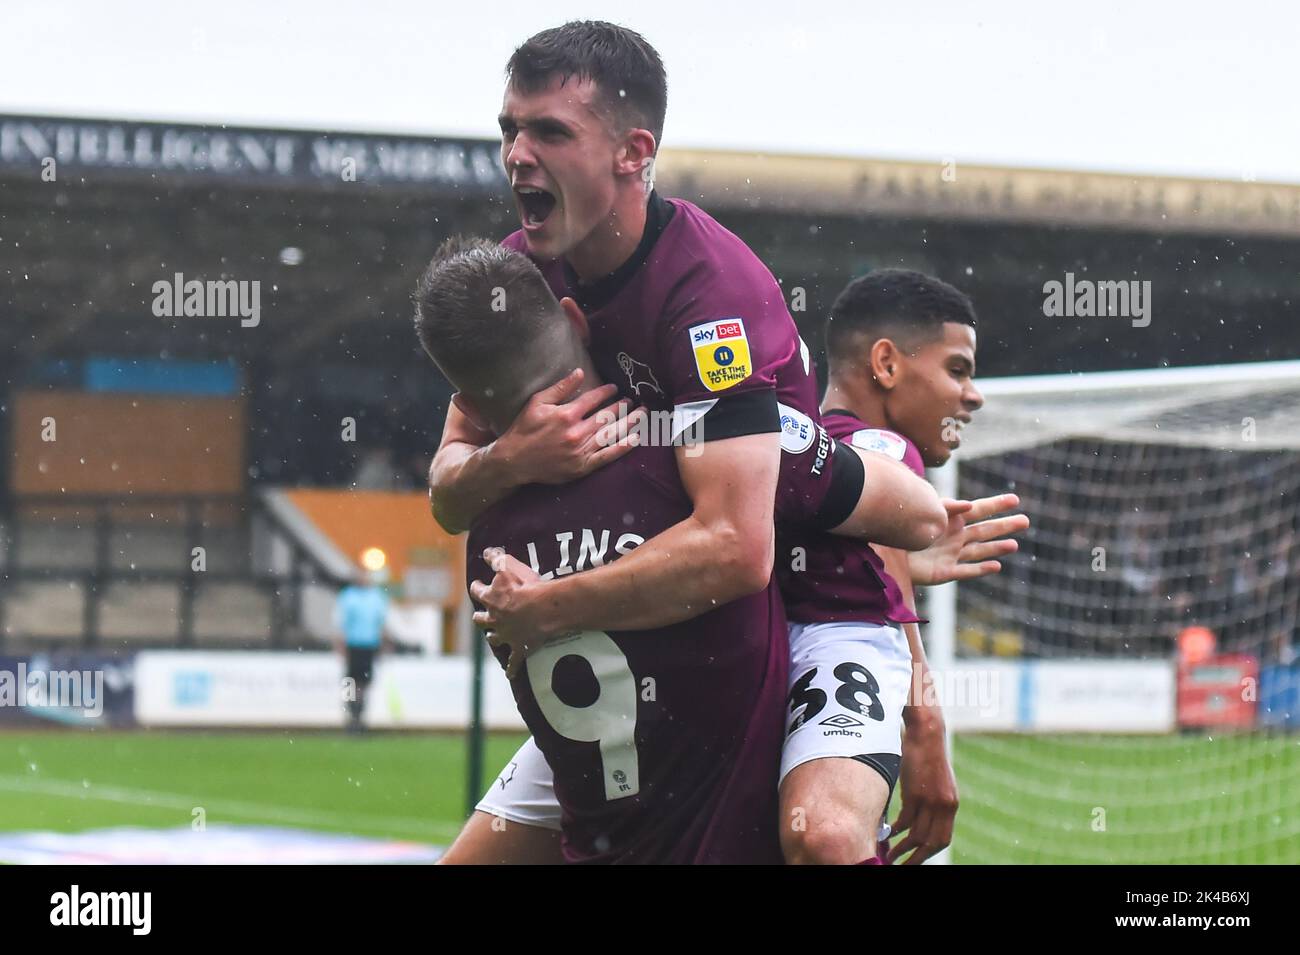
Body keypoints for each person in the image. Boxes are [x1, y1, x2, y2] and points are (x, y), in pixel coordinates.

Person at [448, 270, 1028, 865]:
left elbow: (447, 494)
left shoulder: (510, 514)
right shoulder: (852, 444)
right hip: (745, 665)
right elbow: (897, 520)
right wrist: (923, 719)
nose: (973, 394)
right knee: (824, 838)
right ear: (885, 363)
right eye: (958, 369)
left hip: (655, 692)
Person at [418, 238, 802, 862]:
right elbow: (855, 498)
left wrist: (502, 464)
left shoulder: (488, 550)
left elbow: (446, 499)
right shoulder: (694, 467)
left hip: (600, 833)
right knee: (831, 835)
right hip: (723, 837)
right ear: (575, 318)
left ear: (466, 405)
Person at [333, 562, 391, 732]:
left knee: (365, 683)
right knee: (350, 681)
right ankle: (350, 714)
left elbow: (382, 622)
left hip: (369, 645)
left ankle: (360, 716)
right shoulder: (347, 596)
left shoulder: (377, 597)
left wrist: (384, 644)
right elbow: (340, 623)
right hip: (353, 645)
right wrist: (340, 645)